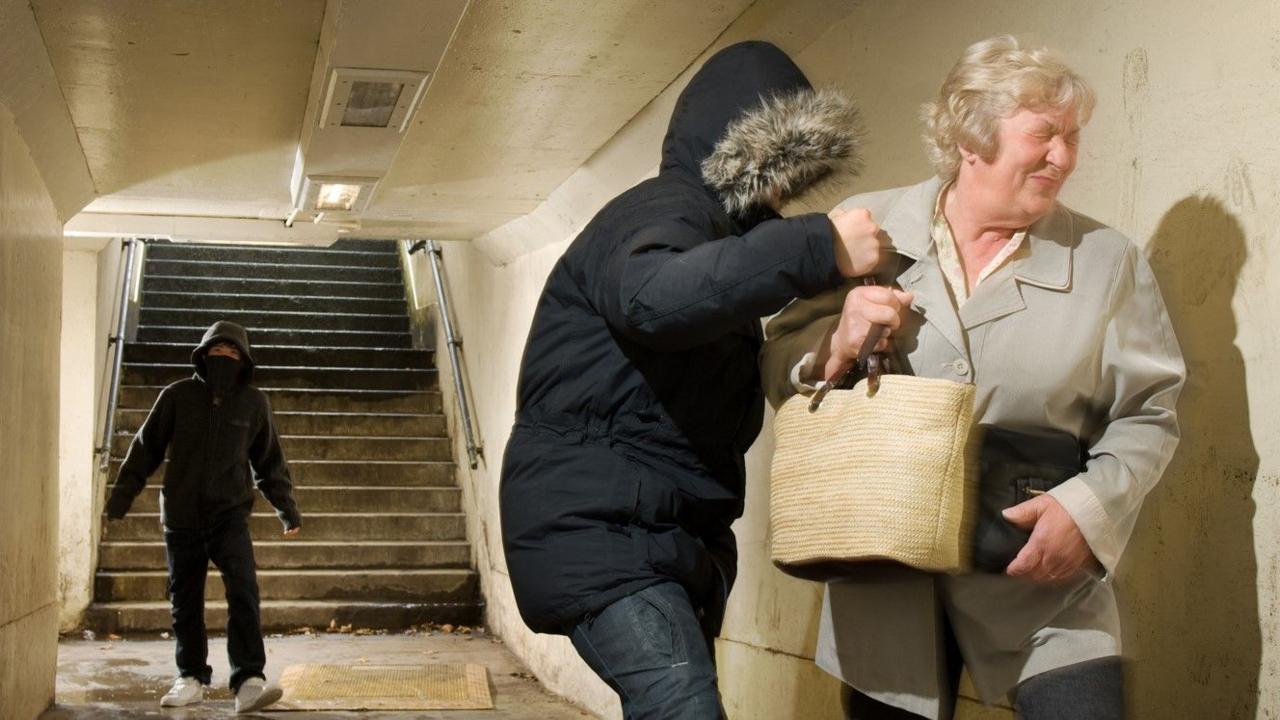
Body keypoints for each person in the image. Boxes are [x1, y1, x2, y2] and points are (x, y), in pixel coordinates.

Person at [761, 36, 1186, 720]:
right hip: (884, 574)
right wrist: (834, 338)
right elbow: (779, 362)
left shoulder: (1109, 262)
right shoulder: (863, 233)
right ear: (969, 138)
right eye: (1044, 135)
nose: (1064, 156)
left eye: (1073, 137)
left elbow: (1149, 412)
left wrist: (1089, 512)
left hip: (1038, 577)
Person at [499, 40, 881, 718]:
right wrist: (818, 245)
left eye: (795, 171)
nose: (783, 187)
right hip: (602, 536)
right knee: (682, 706)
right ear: (735, 148)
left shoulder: (721, 243)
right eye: (775, 163)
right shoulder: (661, 210)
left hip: (656, 540)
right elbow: (653, 299)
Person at [105, 320, 302, 714]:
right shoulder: (176, 396)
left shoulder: (253, 403)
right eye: (216, 352)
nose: (224, 358)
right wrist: (121, 498)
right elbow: (145, 449)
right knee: (185, 600)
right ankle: (190, 676)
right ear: (202, 355)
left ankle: (248, 679)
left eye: (232, 353)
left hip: (229, 516)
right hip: (181, 518)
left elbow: (269, 462)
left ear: (243, 360)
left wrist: (286, 509)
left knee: (244, 591)